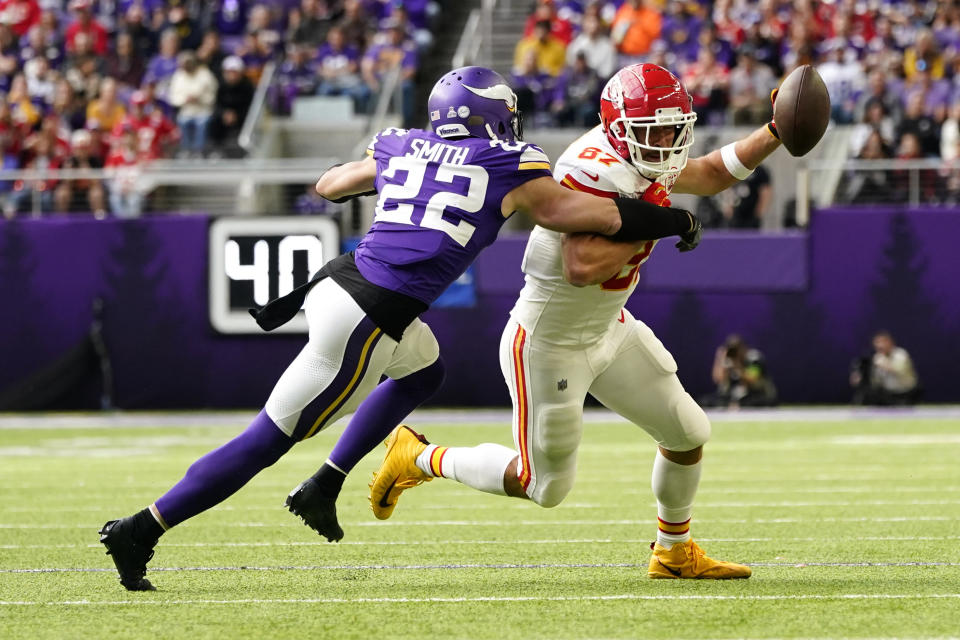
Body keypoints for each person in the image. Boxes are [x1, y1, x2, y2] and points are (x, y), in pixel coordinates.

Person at [98, 65, 704, 591]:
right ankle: (143, 528)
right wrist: (671, 216)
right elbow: (587, 212)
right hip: (370, 316)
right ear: (495, 120)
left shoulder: (401, 144)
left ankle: (327, 483)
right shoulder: (508, 164)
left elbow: (329, 185)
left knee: (423, 372)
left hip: (344, 281)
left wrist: (385, 163)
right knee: (268, 439)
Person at [369, 63, 792, 580]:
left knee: (687, 432)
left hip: (608, 328)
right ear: (618, 128)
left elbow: (708, 172)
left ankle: (673, 552)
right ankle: (418, 455)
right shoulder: (594, 170)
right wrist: (656, 219)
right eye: (653, 131)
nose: (664, 141)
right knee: (542, 485)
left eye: (671, 128)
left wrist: (775, 132)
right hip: (549, 342)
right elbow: (582, 266)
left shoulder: (638, 147)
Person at [850, 331, 920, 406]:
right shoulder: (878, 357)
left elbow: (897, 370)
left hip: (906, 392)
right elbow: (875, 380)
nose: (879, 345)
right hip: (888, 394)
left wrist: (883, 364)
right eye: (877, 342)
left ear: (890, 342)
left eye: (882, 342)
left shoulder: (900, 354)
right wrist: (860, 376)